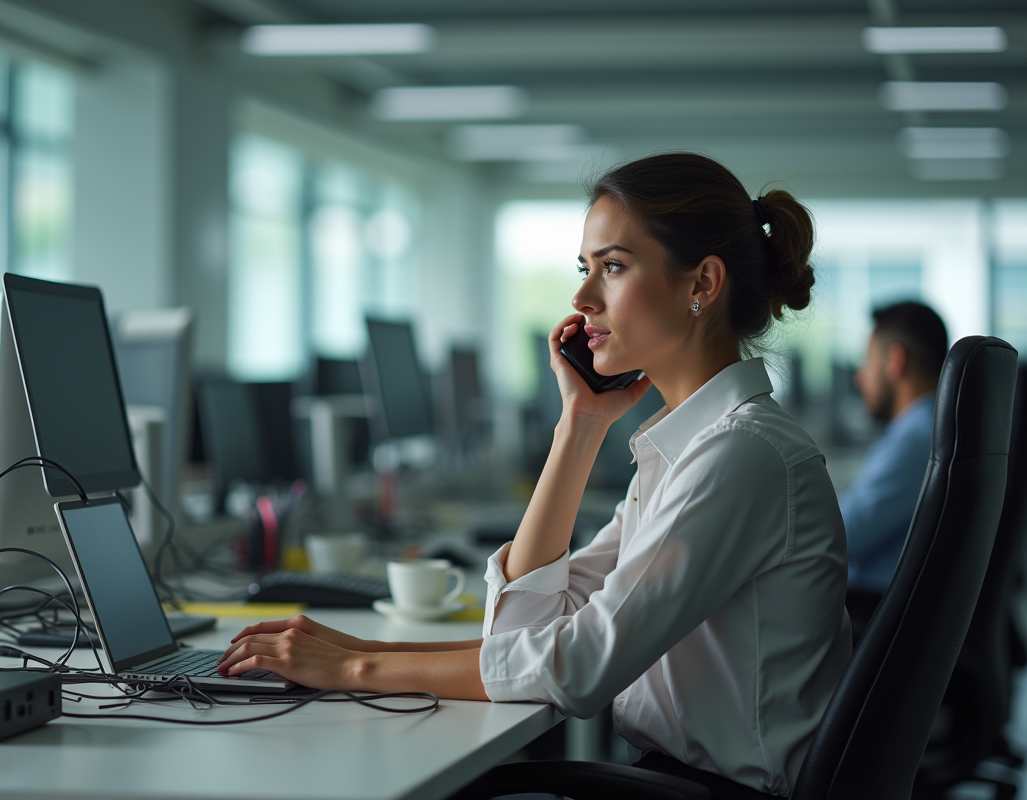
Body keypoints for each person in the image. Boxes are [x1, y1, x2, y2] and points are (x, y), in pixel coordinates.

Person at [216, 153, 850, 798]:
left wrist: (357, 665)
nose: (581, 299)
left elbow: (577, 666)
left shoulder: (739, 456)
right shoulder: (688, 449)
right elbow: (524, 632)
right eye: (586, 268)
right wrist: (579, 428)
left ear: (702, 284)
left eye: (613, 266)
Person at [841, 301, 947, 636]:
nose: (860, 377)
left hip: (873, 614)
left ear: (895, 361)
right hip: (887, 613)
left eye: (867, 360)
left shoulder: (917, 440)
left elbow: (840, 537)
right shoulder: (930, 429)